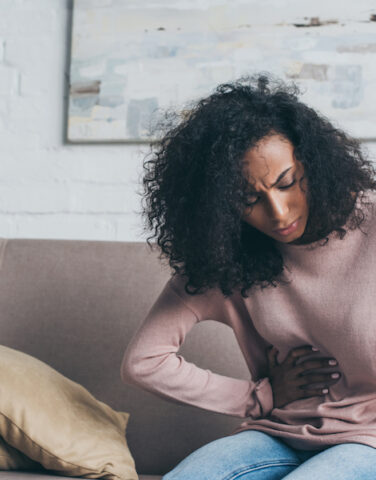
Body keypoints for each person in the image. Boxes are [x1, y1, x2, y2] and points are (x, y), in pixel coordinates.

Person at [120, 72, 376, 479]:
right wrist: (259, 397)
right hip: (279, 432)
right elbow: (143, 362)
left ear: (314, 163)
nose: (278, 211)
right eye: (249, 199)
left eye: (288, 182)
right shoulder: (232, 260)